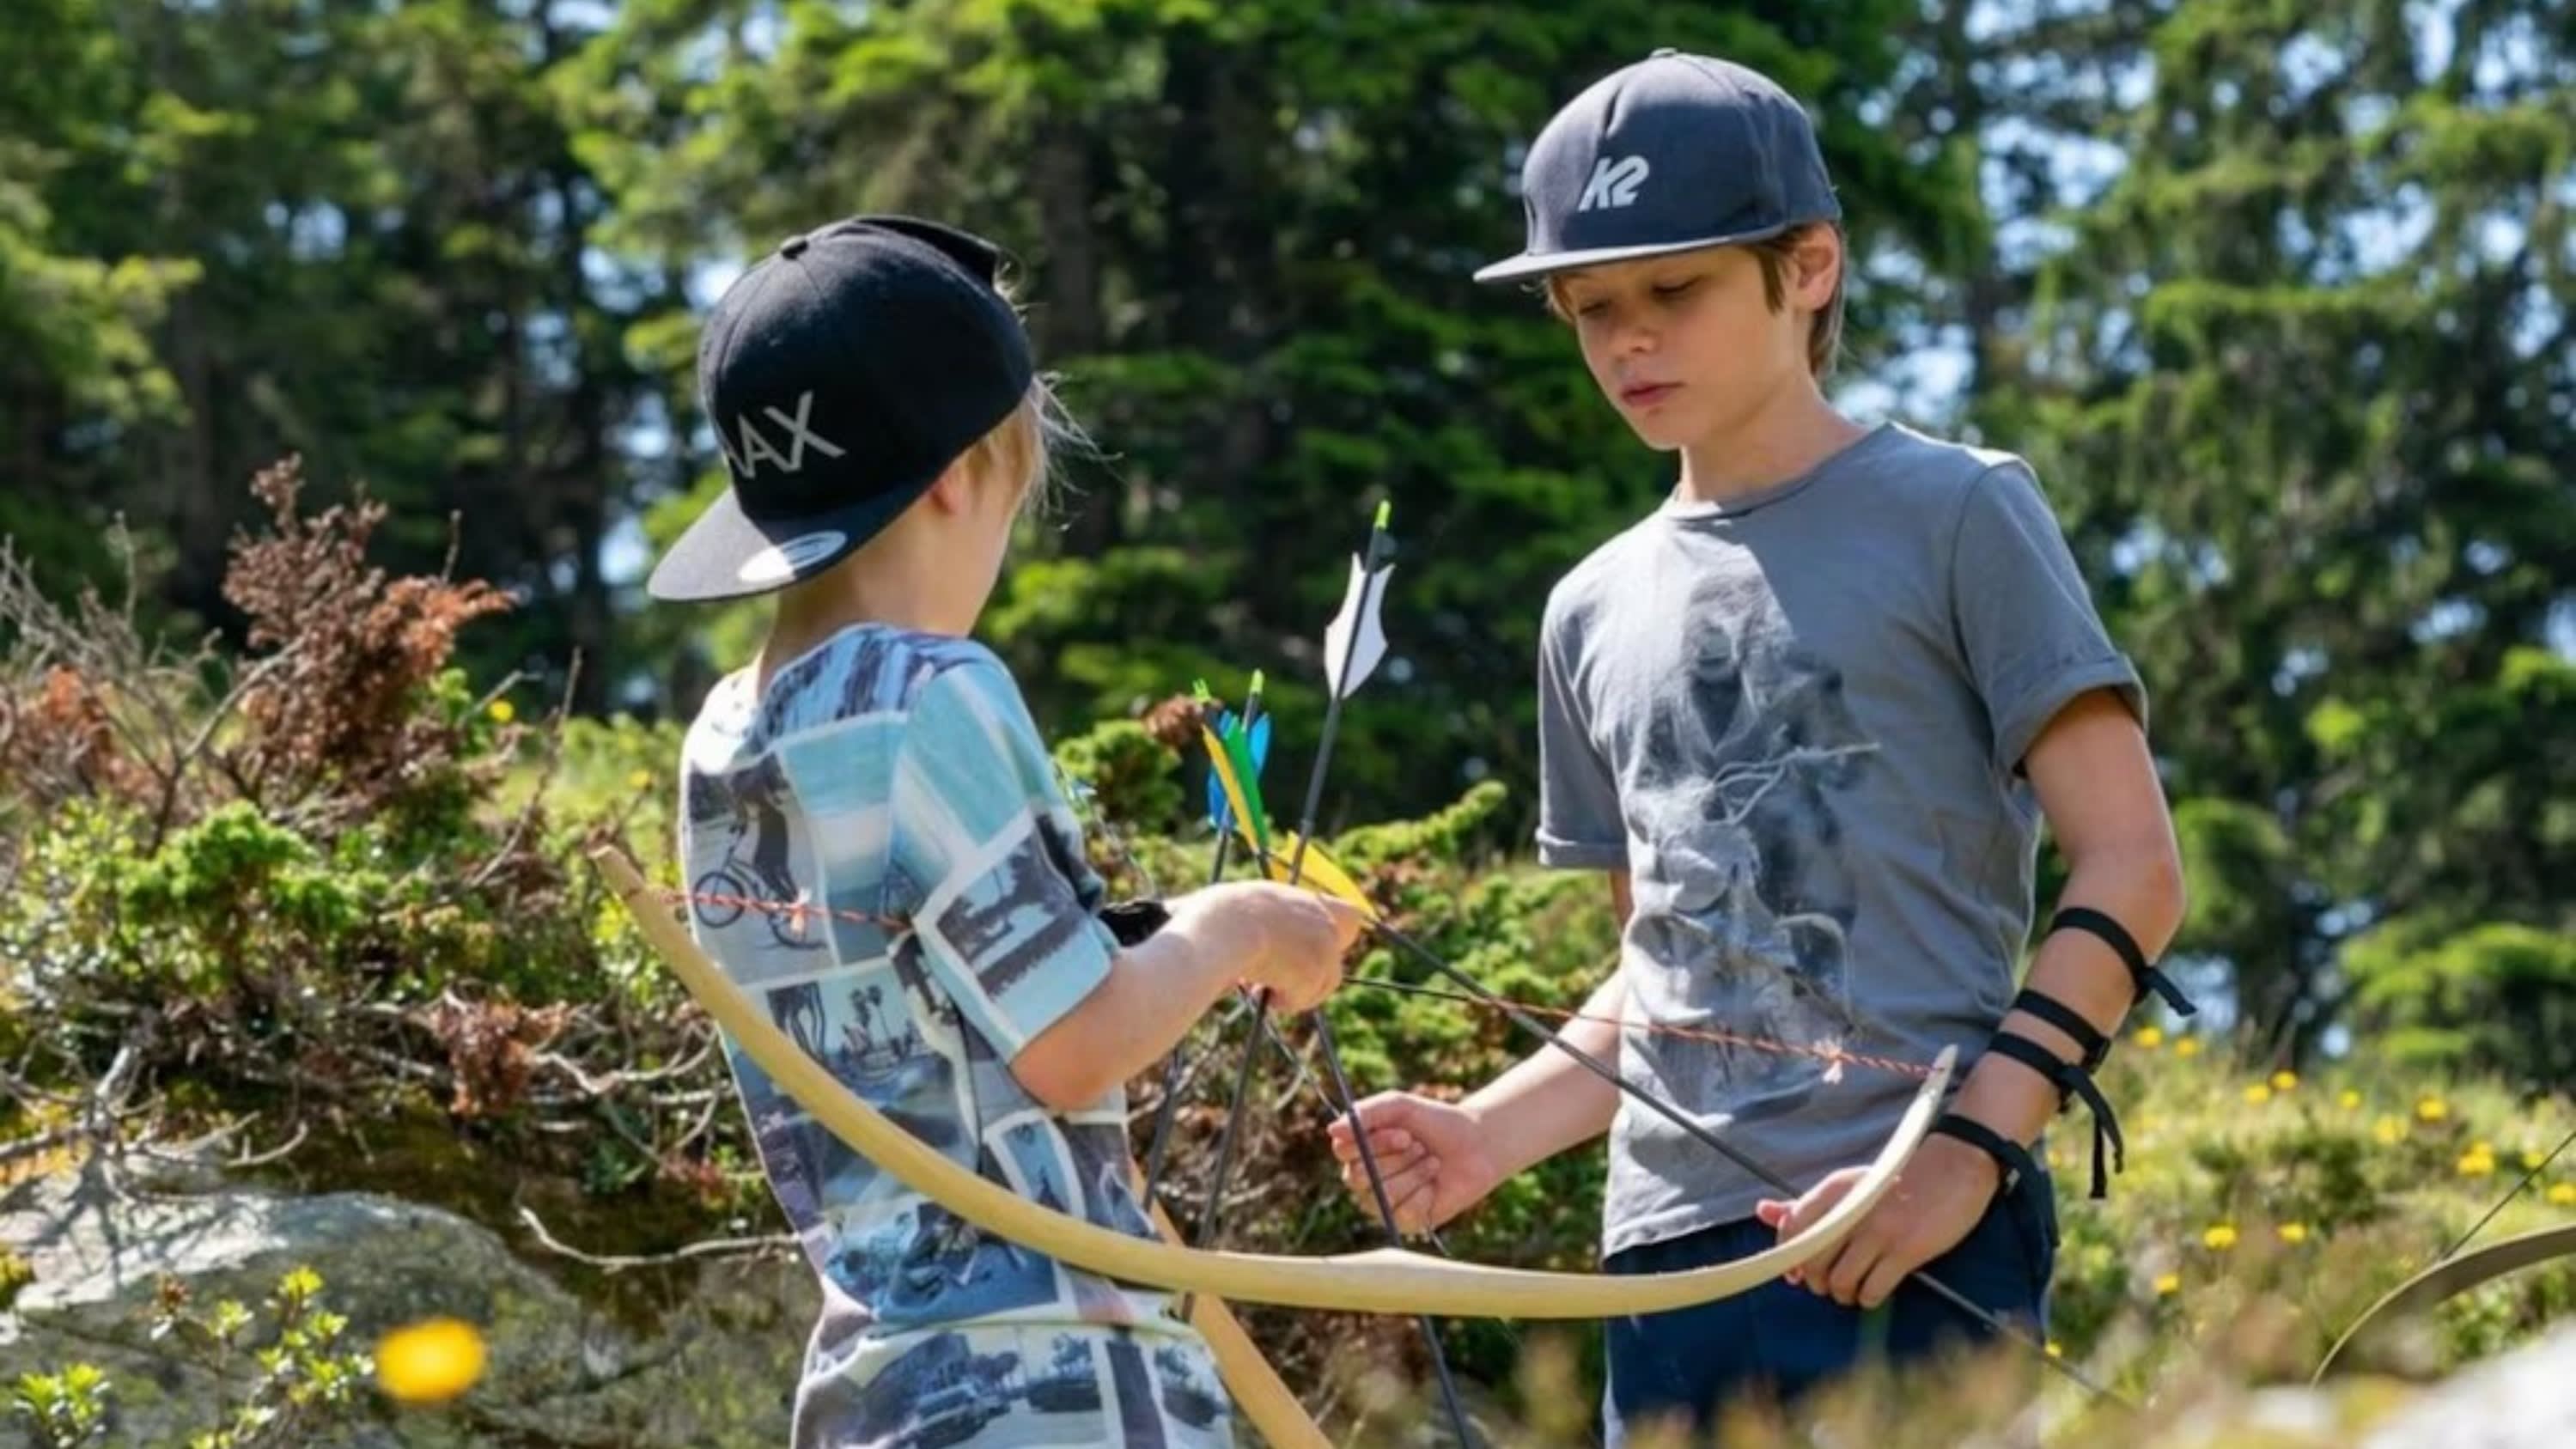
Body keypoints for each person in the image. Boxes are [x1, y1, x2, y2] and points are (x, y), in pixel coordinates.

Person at [1326, 50, 2189, 1440]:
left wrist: (1967, 1156)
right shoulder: (1587, 609)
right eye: (1591, 307)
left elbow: (2135, 868)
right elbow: (1667, 968)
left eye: (1675, 290)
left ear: (1810, 267)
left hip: (1908, 1234)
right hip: (1661, 1259)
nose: (1629, 341)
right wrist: (1489, 1132)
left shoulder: (1960, 511)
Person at [649, 215, 1363, 1448]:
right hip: (1057, 1390)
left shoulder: (722, 740)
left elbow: (946, 1003)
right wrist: (1241, 927)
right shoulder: (933, 692)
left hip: (881, 1395)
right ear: (954, 477)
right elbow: (1074, 1044)